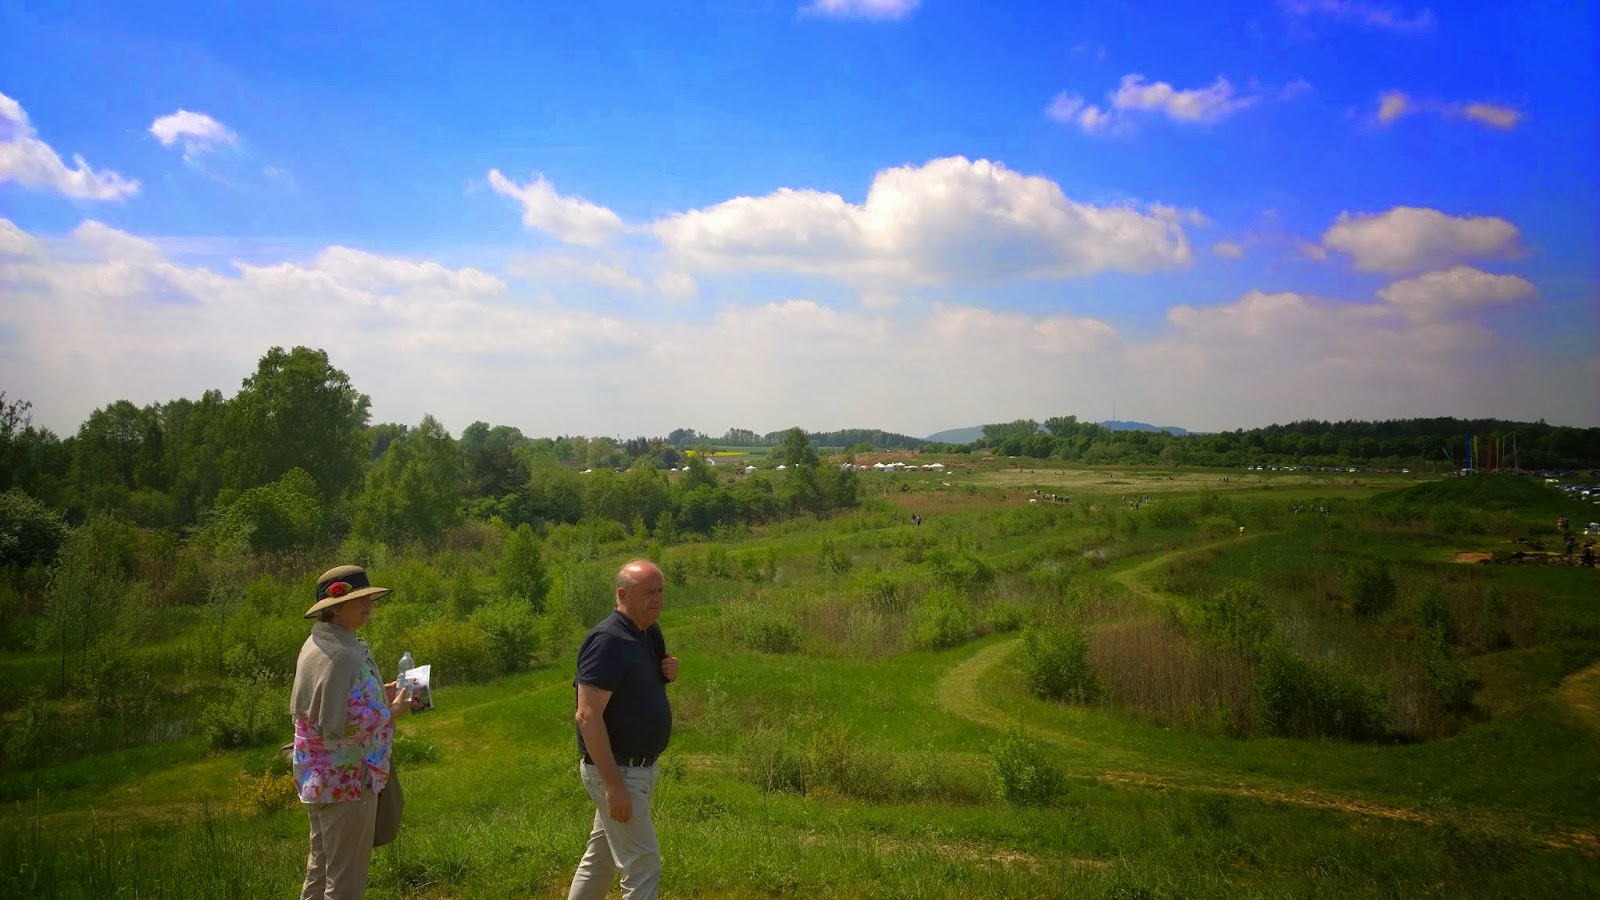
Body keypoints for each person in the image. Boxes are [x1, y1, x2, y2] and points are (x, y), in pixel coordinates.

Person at [291, 565, 418, 900]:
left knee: (320, 870)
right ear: (334, 608)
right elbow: (348, 722)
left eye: (368, 598)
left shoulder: (322, 644)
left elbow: (336, 702)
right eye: (359, 600)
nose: (368, 605)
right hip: (347, 781)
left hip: (321, 779)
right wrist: (394, 711)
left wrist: (385, 690)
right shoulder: (339, 654)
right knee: (345, 882)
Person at [568, 559, 679, 900]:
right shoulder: (607, 640)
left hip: (638, 768)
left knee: (601, 859)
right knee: (643, 865)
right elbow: (587, 716)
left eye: (660, 591)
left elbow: (640, 683)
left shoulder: (647, 631)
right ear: (622, 594)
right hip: (617, 771)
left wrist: (668, 672)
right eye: (648, 593)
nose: (657, 599)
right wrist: (613, 786)